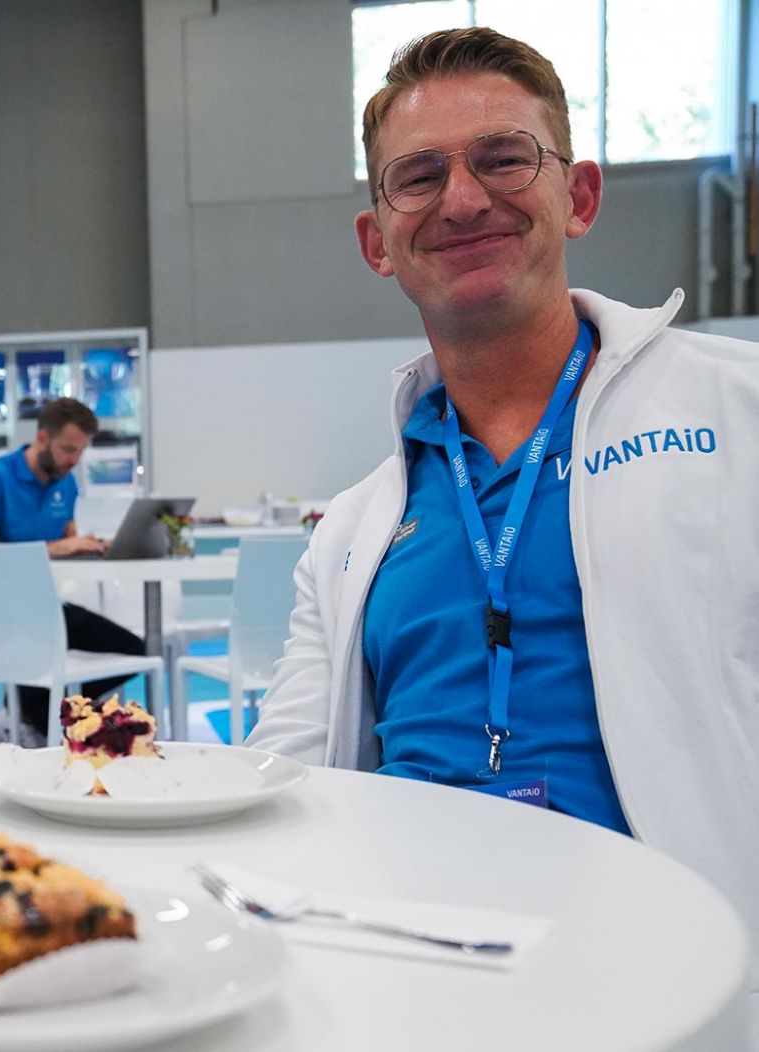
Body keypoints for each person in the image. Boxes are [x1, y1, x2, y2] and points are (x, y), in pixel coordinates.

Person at [247, 26, 759, 1001]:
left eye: (503, 157)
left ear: (580, 196)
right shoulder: (352, 531)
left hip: (664, 971)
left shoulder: (738, 415)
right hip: (394, 972)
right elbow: (283, 772)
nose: (463, 199)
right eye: (418, 176)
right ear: (377, 241)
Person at [0, 397, 146, 743]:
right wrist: (56, 548)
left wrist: (90, 546)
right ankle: (35, 720)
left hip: (40, 607)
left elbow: (67, 543)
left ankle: (31, 716)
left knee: (135, 650)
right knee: (44, 649)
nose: (74, 460)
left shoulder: (66, 483)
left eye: (81, 451)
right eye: (68, 449)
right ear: (42, 437)